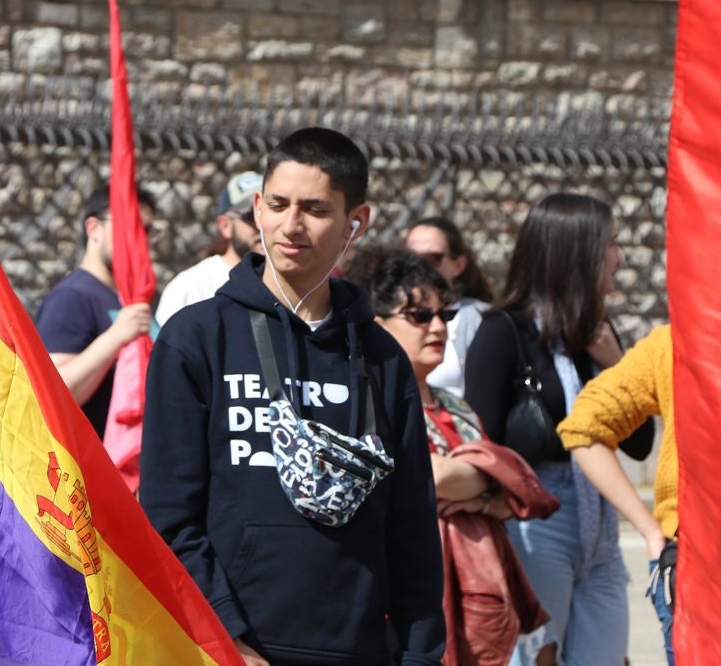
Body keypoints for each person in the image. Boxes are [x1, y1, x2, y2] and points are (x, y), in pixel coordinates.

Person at [141, 128, 445, 666]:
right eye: (277, 205)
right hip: (229, 651)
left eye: (315, 209)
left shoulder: (382, 359)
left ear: (357, 222)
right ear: (257, 207)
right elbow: (168, 516)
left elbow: (412, 531)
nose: (291, 225)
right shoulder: (197, 338)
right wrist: (229, 641)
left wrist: (420, 655)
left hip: (359, 650)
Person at [463, 193, 652, 666]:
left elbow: (640, 440)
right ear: (575, 253)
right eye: (609, 244)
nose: (619, 257)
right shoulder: (502, 331)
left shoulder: (598, 334)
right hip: (537, 520)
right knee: (535, 658)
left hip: (601, 529)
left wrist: (617, 365)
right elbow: (482, 442)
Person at [346, 246, 554, 666]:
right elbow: (434, 478)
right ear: (377, 324)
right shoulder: (366, 403)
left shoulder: (455, 405)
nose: (438, 326)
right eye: (419, 316)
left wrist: (476, 489)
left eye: (446, 315)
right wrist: (487, 473)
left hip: (481, 588)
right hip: (411, 591)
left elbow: (508, 496)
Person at [557, 325, 676, 665]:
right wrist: (651, 529)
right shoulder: (673, 343)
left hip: (692, 561)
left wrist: (651, 530)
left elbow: (584, 425)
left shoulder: (676, 341)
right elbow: (583, 427)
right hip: (695, 564)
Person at [35, 182, 156, 439]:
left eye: (145, 230)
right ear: (93, 228)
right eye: (128, 226)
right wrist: (116, 337)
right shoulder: (72, 298)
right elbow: (56, 393)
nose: (138, 239)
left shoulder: (126, 298)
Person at [155, 171, 262, 326]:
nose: (262, 225)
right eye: (250, 217)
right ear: (225, 225)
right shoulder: (191, 287)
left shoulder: (291, 283)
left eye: (268, 213)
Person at [405, 216, 493, 399]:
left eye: (432, 259)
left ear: (458, 265)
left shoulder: (484, 318)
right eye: (410, 258)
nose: (419, 266)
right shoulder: (387, 315)